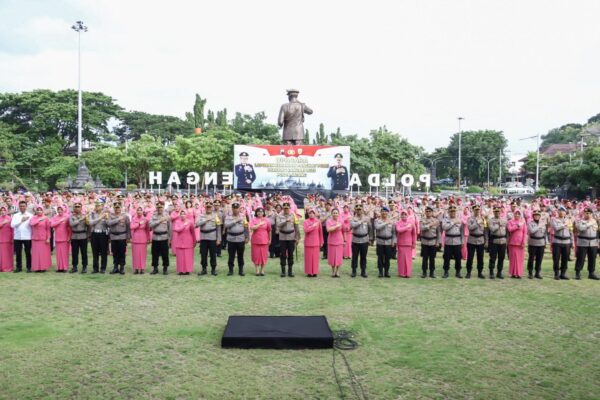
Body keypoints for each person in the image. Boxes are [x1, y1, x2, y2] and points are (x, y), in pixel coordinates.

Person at [196, 202, 222, 276]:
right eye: (207, 207)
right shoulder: (201, 215)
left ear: (212, 208)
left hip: (212, 237)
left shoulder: (215, 216)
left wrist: (218, 239)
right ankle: (204, 269)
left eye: (210, 207)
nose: (208, 209)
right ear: (205, 208)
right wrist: (206, 220)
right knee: (203, 254)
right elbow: (197, 224)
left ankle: (213, 269)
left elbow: (218, 228)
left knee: (213, 254)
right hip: (203, 237)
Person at [574, 207, 600, 280]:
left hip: (593, 242)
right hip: (583, 242)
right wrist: (589, 223)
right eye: (586, 213)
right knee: (581, 258)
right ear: (584, 214)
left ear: (591, 214)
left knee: (592, 258)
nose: (588, 215)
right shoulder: (580, 221)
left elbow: (597, 232)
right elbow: (581, 228)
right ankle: (578, 272)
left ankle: (591, 273)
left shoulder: (595, 221)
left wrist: (598, 241)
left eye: (589, 213)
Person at [225, 202, 249, 276]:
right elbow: (226, 225)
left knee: (240, 255)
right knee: (231, 255)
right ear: (232, 209)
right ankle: (230, 270)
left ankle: (241, 270)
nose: (235, 210)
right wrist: (235, 221)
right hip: (231, 238)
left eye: (237, 208)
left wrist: (247, 237)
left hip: (240, 238)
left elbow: (246, 227)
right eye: (234, 208)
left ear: (239, 209)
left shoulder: (243, 216)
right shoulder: (228, 217)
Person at [276, 202, 300, 277]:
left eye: (287, 208)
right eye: (284, 208)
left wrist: (297, 238)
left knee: (290, 254)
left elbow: (297, 227)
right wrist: (285, 221)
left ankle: (290, 270)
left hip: (291, 237)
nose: (286, 210)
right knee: (282, 254)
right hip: (282, 237)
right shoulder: (279, 215)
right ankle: (283, 271)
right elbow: (278, 225)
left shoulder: (293, 215)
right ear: (283, 208)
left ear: (289, 208)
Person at [349, 204, 372, 278]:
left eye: (360, 209)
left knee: (363, 257)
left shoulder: (367, 218)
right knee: (354, 256)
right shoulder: (352, 218)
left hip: (364, 239)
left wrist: (370, 238)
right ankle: (354, 271)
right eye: (357, 209)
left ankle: (363, 271)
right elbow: (352, 226)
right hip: (355, 240)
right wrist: (360, 222)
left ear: (362, 210)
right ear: (355, 210)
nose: (359, 211)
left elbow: (370, 228)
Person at [88, 200, 110, 274]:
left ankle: (103, 268)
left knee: (104, 252)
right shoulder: (92, 214)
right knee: (95, 252)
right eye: (96, 205)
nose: (97, 207)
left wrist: (107, 219)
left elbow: (109, 224)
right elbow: (90, 223)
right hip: (94, 234)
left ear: (102, 206)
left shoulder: (106, 214)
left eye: (99, 205)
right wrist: (100, 218)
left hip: (103, 234)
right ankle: (95, 268)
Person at [10, 200, 33, 273]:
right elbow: (12, 225)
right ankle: (18, 267)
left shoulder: (30, 215)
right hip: (17, 237)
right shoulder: (16, 215)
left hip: (27, 236)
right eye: (21, 206)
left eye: (23, 206)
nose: (22, 207)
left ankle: (29, 267)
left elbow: (32, 226)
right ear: (19, 207)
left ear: (26, 206)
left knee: (28, 252)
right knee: (18, 253)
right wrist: (21, 221)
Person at [108, 203, 130, 275]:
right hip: (114, 237)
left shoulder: (125, 216)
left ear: (121, 208)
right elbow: (109, 223)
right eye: (116, 208)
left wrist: (128, 237)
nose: (117, 209)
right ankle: (115, 267)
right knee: (115, 253)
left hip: (122, 236)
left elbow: (128, 227)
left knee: (122, 253)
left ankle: (122, 267)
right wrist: (118, 219)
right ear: (114, 208)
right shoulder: (111, 216)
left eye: (118, 208)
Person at [551, 206, 573, 280]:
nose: (561, 212)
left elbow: (571, 231)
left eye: (563, 211)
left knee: (565, 258)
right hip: (557, 241)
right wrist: (564, 225)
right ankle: (556, 273)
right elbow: (556, 228)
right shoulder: (554, 220)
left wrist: (572, 241)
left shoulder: (569, 220)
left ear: (565, 212)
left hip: (567, 241)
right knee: (556, 258)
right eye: (560, 211)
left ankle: (563, 273)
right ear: (558, 212)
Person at [149, 203, 171, 275]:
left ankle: (165, 268)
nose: (160, 209)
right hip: (155, 237)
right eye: (158, 208)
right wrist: (159, 221)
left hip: (164, 237)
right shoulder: (153, 216)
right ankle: (155, 268)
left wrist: (170, 238)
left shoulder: (167, 216)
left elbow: (170, 227)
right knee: (154, 254)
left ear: (163, 207)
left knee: (165, 254)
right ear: (156, 208)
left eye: (161, 207)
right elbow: (150, 225)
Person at [172, 209, 196, 275]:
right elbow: (177, 229)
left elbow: (193, 232)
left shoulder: (190, 222)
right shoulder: (177, 222)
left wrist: (194, 241)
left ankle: (188, 270)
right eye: (181, 214)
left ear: (186, 215)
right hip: (179, 240)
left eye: (184, 214)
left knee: (188, 256)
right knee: (180, 256)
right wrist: (184, 225)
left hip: (188, 240)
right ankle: (181, 270)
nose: (182, 215)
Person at [419, 206, 440, 278]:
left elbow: (438, 233)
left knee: (432, 258)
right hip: (424, 241)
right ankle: (424, 272)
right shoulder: (422, 220)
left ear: (432, 212)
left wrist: (438, 242)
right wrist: (429, 225)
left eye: (429, 211)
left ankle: (432, 272)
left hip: (433, 242)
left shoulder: (436, 221)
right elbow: (421, 228)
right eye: (426, 211)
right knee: (424, 258)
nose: (428, 213)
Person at [466, 205, 486, 279]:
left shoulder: (483, 219)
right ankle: (468, 272)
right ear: (473, 210)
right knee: (470, 257)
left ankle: (480, 272)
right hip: (472, 239)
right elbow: (470, 228)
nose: (477, 211)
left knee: (480, 257)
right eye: (475, 210)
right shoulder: (470, 219)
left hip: (480, 239)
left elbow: (485, 230)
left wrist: (486, 240)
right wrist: (477, 222)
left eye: (478, 210)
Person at [374, 207, 396, 278]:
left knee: (387, 258)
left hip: (388, 242)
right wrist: (385, 223)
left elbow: (394, 233)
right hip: (380, 241)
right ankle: (380, 272)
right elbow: (377, 227)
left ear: (388, 213)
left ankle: (386, 272)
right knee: (380, 257)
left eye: (386, 212)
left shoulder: (392, 222)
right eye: (383, 211)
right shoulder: (377, 220)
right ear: (381, 213)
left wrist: (393, 241)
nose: (384, 213)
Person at [29, 206, 52, 272]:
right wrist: (39, 220)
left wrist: (48, 238)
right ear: (36, 211)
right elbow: (32, 224)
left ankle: (43, 267)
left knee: (43, 254)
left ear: (42, 211)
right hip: (35, 238)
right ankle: (37, 268)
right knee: (36, 254)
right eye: (38, 210)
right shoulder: (33, 218)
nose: (39, 211)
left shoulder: (46, 218)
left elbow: (48, 229)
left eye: (40, 210)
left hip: (43, 238)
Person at [249, 207, 271, 276]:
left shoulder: (267, 220)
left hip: (264, 240)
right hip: (255, 240)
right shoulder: (253, 220)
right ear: (256, 213)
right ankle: (257, 270)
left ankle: (262, 270)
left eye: (261, 212)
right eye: (258, 212)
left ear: (263, 213)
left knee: (263, 255)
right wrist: (259, 224)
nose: (260, 213)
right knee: (256, 255)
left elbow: (269, 230)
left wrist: (270, 239)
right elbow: (252, 228)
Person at [488, 206, 508, 279]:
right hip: (494, 241)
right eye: (496, 211)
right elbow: (492, 229)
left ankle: (499, 272)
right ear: (493, 212)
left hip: (503, 241)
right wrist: (498, 224)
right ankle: (491, 272)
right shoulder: (491, 220)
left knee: (501, 258)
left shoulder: (504, 220)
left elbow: (507, 231)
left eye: (498, 211)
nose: (497, 213)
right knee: (493, 257)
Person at [396, 210, 417, 278]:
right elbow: (399, 230)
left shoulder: (411, 223)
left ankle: (408, 273)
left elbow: (414, 234)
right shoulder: (398, 223)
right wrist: (407, 227)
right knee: (401, 259)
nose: (403, 216)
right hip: (401, 243)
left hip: (408, 244)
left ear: (407, 215)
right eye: (402, 214)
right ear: (400, 215)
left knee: (408, 260)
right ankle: (401, 273)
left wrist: (414, 243)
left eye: (405, 214)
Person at [69, 202, 88, 273]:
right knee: (74, 253)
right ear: (73, 208)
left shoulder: (85, 216)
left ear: (81, 208)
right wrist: (80, 220)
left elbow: (88, 225)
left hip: (83, 235)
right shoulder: (71, 216)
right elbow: (71, 224)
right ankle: (74, 267)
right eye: (75, 207)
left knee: (84, 252)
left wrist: (88, 235)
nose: (77, 208)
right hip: (74, 236)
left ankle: (84, 266)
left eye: (78, 207)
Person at [303, 209, 323, 277]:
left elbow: (320, 232)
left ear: (315, 214)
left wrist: (321, 241)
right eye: (310, 213)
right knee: (308, 257)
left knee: (315, 257)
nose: (311, 214)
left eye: (312, 213)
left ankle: (315, 272)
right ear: (308, 214)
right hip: (308, 242)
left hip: (316, 242)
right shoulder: (305, 222)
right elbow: (306, 230)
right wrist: (313, 226)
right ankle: (309, 272)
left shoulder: (318, 222)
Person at [50, 206, 70, 272]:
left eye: (61, 209)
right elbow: (52, 225)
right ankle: (59, 268)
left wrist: (69, 236)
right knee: (58, 254)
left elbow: (69, 228)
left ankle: (65, 267)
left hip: (65, 237)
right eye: (58, 209)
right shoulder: (55, 217)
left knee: (64, 253)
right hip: (57, 237)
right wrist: (59, 221)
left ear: (63, 210)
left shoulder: (67, 217)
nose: (60, 211)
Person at [527, 210, 546, 279]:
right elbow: (531, 231)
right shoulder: (530, 223)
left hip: (541, 242)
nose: (537, 216)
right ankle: (530, 272)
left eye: (538, 215)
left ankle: (537, 272)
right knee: (531, 258)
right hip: (533, 242)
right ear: (533, 216)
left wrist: (545, 242)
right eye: (535, 215)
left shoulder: (543, 223)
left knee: (539, 259)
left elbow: (544, 233)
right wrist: (538, 226)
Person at [507, 209, 527, 279]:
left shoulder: (523, 222)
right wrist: (517, 226)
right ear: (514, 214)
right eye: (516, 213)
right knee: (513, 259)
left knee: (519, 259)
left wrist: (524, 242)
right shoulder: (510, 222)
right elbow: (509, 229)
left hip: (520, 243)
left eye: (518, 214)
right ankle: (513, 273)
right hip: (512, 242)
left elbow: (525, 233)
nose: (517, 215)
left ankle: (519, 273)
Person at [131, 207, 151, 274]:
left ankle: (142, 268)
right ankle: (136, 268)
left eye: (140, 210)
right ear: (136, 211)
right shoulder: (134, 219)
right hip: (135, 237)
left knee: (143, 254)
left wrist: (148, 238)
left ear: (143, 211)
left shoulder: (146, 219)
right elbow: (131, 227)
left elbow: (147, 230)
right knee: (135, 254)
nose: (139, 211)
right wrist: (138, 224)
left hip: (143, 237)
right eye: (138, 210)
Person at [326, 208, 345, 277]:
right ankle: (333, 271)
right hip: (331, 240)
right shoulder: (329, 221)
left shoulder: (341, 221)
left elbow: (344, 230)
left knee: (339, 256)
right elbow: (328, 229)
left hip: (339, 240)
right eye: (334, 213)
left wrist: (345, 240)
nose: (335, 214)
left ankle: (337, 271)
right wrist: (336, 226)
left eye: (336, 213)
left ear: (338, 214)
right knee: (332, 256)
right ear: (331, 214)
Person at [0, 206, 14, 272]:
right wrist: (3, 223)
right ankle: (1, 267)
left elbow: (12, 229)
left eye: (4, 210)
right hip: (1, 239)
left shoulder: (10, 218)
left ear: (6, 211)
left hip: (8, 239)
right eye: (1, 210)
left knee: (8, 254)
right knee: (1, 254)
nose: (2, 211)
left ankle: (8, 267)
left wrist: (12, 238)